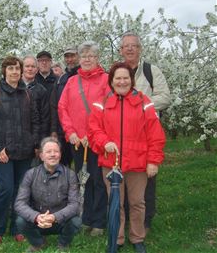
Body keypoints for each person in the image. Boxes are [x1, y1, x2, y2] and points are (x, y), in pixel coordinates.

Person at [88, 62, 166, 253]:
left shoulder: (143, 101)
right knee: (115, 203)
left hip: (138, 163)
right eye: (118, 78)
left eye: (125, 78)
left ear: (131, 80)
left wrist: (153, 161)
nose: (122, 81)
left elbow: (155, 134)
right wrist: (104, 141)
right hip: (111, 163)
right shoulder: (102, 101)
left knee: (137, 202)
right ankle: (118, 237)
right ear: (112, 81)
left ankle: (137, 238)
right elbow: (93, 129)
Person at [0, 56, 40, 245]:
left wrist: (34, 143)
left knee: (20, 191)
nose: (14, 72)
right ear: (4, 71)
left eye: (17, 68)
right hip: (2, 153)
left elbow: (36, 122)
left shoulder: (27, 93)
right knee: (6, 189)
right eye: (10, 68)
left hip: (24, 152)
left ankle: (17, 227)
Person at [120, 32, 171, 232]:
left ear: (140, 49)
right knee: (123, 178)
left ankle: (145, 221)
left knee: (147, 178)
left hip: (146, 132)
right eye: (126, 46)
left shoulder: (151, 71)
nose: (130, 49)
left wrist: (141, 105)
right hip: (123, 134)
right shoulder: (117, 71)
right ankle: (124, 220)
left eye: (134, 45)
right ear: (121, 50)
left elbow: (165, 97)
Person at [58, 41, 109, 236]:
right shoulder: (72, 82)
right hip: (77, 142)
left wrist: (93, 134)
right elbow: (63, 108)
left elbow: (107, 108)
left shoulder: (106, 80)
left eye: (91, 55)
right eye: (84, 55)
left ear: (97, 58)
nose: (87, 59)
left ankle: (98, 221)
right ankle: (85, 217)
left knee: (98, 180)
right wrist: (71, 133)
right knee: (82, 179)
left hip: (97, 141)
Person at [15, 137, 81, 252]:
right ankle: (38, 243)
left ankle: (63, 244)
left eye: (56, 151)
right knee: (20, 221)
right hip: (38, 221)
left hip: (60, 221)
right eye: (48, 152)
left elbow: (75, 205)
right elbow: (19, 204)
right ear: (41, 156)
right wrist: (36, 217)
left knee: (76, 221)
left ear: (60, 154)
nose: (52, 155)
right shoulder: (30, 174)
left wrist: (54, 217)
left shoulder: (70, 175)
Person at [50, 45, 80, 167]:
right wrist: (54, 130)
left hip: (80, 132)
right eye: (67, 57)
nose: (70, 59)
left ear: (78, 56)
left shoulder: (84, 76)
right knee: (62, 164)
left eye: (72, 56)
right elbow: (54, 105)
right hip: (63, 131)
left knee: (81, 167)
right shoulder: (61, 79)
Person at [22, 55, 50, 142]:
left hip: (34, 137)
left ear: (37, 70)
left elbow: (45, 119)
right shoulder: (14, 87)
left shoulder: (42, 90)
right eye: (27, 66)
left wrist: (39, 142)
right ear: (22, 68)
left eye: (33, 66)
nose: (30, 69)